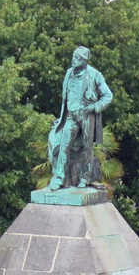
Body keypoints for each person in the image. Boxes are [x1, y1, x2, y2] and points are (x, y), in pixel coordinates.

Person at [47, 46, 113, 190]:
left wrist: (94, 107)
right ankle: (59, 178)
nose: (73, 60)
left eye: (77, 58)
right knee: (64, 145)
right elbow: (66, 97)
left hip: (87, 115)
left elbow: (108, 96)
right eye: (73, 56)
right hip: (71, 115)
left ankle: (85, 177)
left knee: (87, 147)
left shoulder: (95, 74)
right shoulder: (68, 73)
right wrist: (62, 117)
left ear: (84, 60)